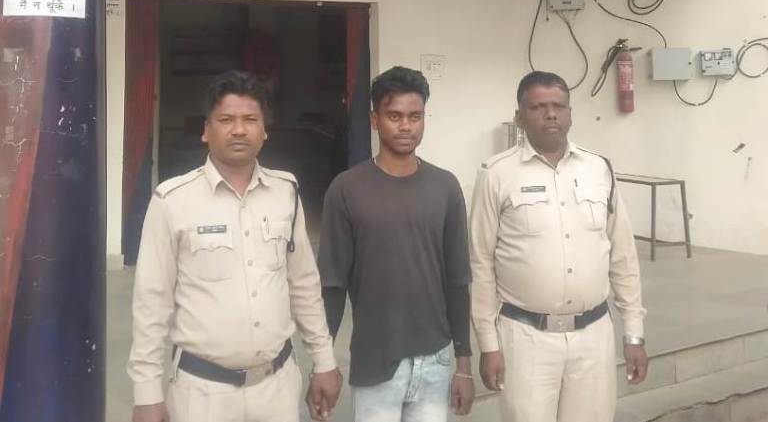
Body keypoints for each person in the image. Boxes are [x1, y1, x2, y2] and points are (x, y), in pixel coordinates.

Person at [128, 70, 342, 422]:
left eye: (250, 120)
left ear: (264, 130)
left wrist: (324, 361)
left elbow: (303, 284)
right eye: (226, 120)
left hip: (277, 388)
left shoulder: (285, 193)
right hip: (202, 395)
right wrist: (147, 393)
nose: (239, 130)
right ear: (206, 130)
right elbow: (151, 303)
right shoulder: (172, 201)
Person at [469, 71, 648, 422]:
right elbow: (481, 263)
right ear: (519, 116)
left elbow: (623, 257)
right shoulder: (496, 174)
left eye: (558, 106)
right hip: (526, 339)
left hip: (593, 338)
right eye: (538, 107)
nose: (550, 114)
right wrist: (488, 344)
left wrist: (634, 334)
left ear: (570, 113)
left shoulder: (599, 169)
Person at [318, 66, 475, 422]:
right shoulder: (346, 189)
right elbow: (332, 284)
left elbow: (457, 280)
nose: (406, 126)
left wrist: (463, 364)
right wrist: (323, 362)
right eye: (394, 116)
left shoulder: (445, 187)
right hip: (376, 362)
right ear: (374, 120)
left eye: (415, 116)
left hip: (435, 361)